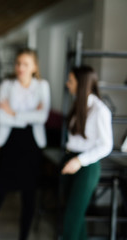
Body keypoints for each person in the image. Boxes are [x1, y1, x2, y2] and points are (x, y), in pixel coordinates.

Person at [0, 48, 50, 240]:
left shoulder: (42, 86)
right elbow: (1, 118)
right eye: (18, 63)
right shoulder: (8, 85)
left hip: (32, 145)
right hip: (9, 144)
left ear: (34, 67)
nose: (20, 67)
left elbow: (42, 117)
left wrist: (13, 113)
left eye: (25, 64)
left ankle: (24, 237)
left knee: (29, 198)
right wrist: (27, 116)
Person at [61, 65, 113, 240]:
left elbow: (106, 145)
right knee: (75, 217)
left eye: (71, 81)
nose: (67, 84)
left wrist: (80, 161)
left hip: (86, 166)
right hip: (70, 159)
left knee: (71, 218)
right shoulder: (78, 105)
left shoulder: (100, 110)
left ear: (81, 83)